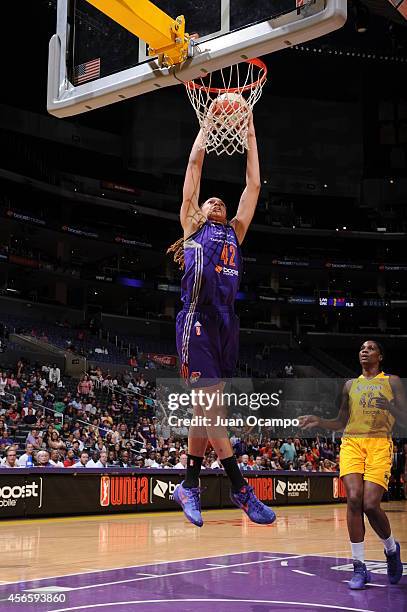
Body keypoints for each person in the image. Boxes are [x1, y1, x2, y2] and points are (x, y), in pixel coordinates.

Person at [168, 115, 275, 527]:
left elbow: (254, 186)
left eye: (220, 202)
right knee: (212, 411)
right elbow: (195, 166)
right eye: (210, 201)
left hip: (227, 324)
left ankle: (190, 484)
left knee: (204, 412)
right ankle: (239, 487)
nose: (216, 203)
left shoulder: (235, 231)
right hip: (196, 320)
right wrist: (208, 128)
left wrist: (249, 132)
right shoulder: (192, 227)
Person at [299, 340, 405, 588]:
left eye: (370, 348)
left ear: (380, 355)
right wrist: (319, 420)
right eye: (361, 348)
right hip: (352, 445)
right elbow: (340, 421)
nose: (364, 350)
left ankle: (391, 550)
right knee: (354, 498)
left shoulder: (392, 382)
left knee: (370, 504)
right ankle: (359, 567)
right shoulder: (350, 385)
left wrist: (389, 406)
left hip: (379, 444)